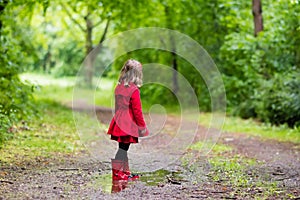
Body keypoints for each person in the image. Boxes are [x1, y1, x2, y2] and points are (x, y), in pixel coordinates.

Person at [107, 59, 149, 183]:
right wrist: (142, 126)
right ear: (136, 75)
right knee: (123, 148)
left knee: (123, 147)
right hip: (128, 122)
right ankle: (118, 174)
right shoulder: (134, 90)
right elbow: (137, 111)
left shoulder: (118, 87)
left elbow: (116, 107)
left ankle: (124, 172)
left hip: (120, 120)